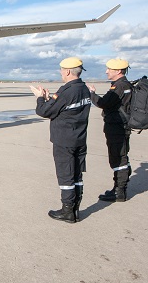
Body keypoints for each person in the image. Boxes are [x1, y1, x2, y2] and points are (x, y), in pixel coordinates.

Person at [33, 57, 91, 223]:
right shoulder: (84, 89)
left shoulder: (66, 91)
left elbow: (44, 111)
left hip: (64, 140)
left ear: (67, 71)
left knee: (66, 176)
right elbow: (66, 108)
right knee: (77, 175)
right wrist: (51, 99)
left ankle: (67, 211)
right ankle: (75, 209)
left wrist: (40, 98)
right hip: (80, 138)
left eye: (61, 70)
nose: (60, 73)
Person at [88, 58, 132, 202]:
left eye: (109, 69)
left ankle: (119, 192)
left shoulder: (119, 87)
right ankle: (118, 188)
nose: (106, 71)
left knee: (118, 157)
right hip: (121, 125)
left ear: (118, 71)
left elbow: (103, 103)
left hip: (116, 126)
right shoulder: (124, 84)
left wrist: (92, 94)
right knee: (120, 156)